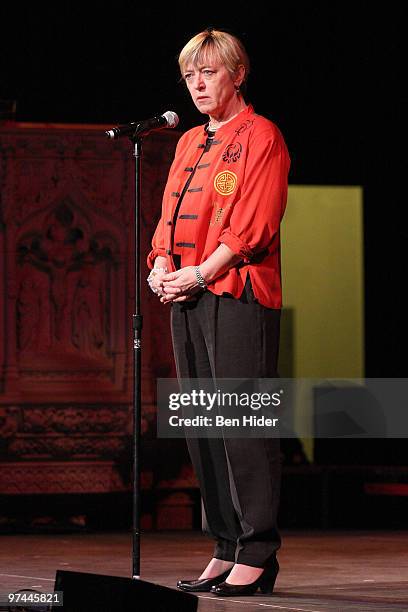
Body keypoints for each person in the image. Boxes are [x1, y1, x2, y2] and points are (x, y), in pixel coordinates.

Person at [147, 28, 290, 597]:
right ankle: (226, 545)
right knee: (202, 424)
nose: (198, 85)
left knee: (241, 423)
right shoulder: (187, 143)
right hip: (186, 291)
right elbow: (168, 216)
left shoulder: (262, 136)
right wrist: (159, 265)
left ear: (236, 74)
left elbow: (253, 223)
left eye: (209, 72)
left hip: (236, 290)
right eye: (189, 75)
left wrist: (201, 272)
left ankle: (258, 551)